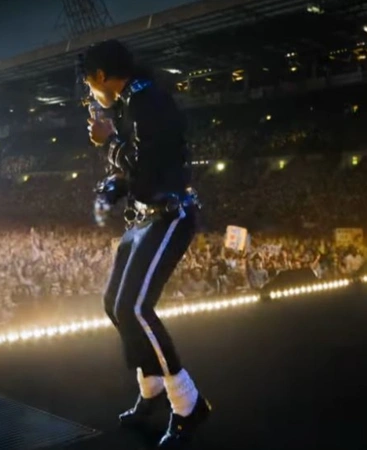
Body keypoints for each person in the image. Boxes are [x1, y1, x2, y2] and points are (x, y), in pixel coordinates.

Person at [81, 40, 211, 448]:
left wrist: (108, 141)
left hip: (169, 216)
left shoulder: (146, 102)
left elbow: (147, 172)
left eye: (88, 83)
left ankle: (188, 404)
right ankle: (151, 387)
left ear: (101, 75)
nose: (89, 92)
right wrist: (113, 185)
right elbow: (135, 173)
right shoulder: (131, 102)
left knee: (134, 308)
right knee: (113, 305)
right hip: (143, 218)